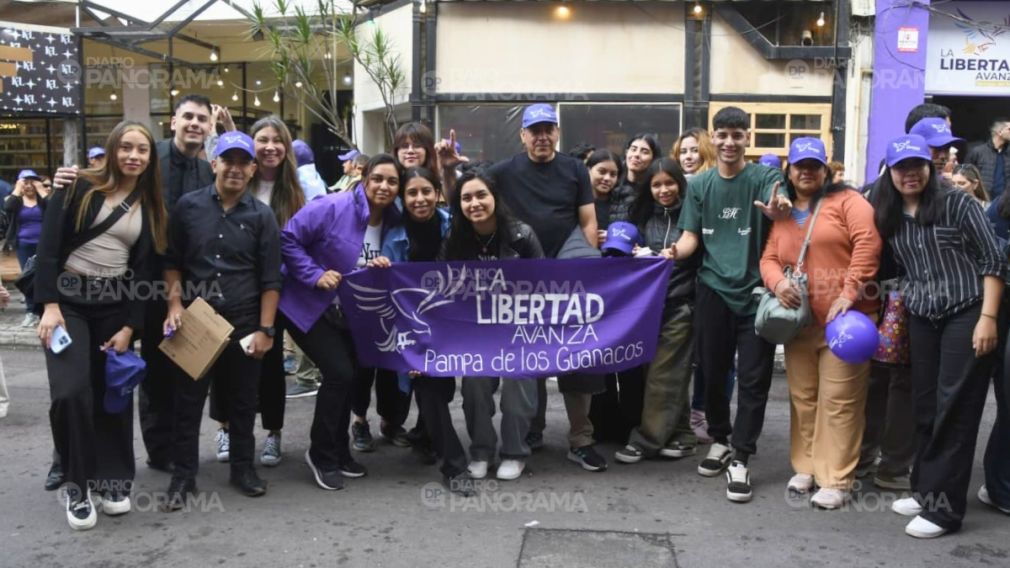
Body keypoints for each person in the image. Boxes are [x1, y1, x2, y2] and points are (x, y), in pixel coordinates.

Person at [871, 134, 1005, 538]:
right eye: (901, 168)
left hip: (967, 311)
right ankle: (926, 490)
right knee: (925, 405)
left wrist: (988, 318)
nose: (910, 174)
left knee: (956, 408)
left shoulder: (958, 203)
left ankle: (944, 511)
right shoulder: (888, 212)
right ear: (890, 173)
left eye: (917, 165)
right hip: (922, 315)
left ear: (930, 167)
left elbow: (994, 259)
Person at [36, 120, 166, 530]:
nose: (133, 156)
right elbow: (48, 248)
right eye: (126, 147)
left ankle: (112, 481)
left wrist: (130, 327)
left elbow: (144, 273)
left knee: (113, 395)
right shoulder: (77, 186)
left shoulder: (151, 204)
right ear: (112, 149)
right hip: (67, 305)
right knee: (71, 393)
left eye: (142, 149)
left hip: (114, 306)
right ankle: (77, 486)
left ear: (151, 157)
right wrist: (49, 306)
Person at [669, 105, 790, 503]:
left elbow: (781, 202)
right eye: (722, 135)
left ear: (747, 139)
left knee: (754, 379)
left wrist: (778, 209)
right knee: (713, 372)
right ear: (713, 138)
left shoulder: (764, 177)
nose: (729, 142)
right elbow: (690, 238)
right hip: (712, 290)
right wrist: (670, 252)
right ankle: (720, 439)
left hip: (758, 293)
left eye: (737, 135)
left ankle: (741, 455)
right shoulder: (700, 185)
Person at [760, 137, 882, 509]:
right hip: (800, 322)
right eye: (800, 165)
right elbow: (769, 258)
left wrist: (849, 292)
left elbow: (868, 244)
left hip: (846, 321)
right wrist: (778, 284)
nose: (807, 172)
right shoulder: (783, 210)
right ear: (789, 171)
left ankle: (837, 478)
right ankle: (807, 466)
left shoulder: (849, 202)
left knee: (840, 400)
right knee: (804, 398)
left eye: (814, 165)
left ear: (826, 169)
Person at [162, 130, 282, 508]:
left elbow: (271, 279)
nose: (235, 168)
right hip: (195, 320)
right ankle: (183, 477)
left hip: (244, 321)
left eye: (243, 162)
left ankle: (243, 469)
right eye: (228, 160)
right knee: (186, 405)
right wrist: (174, 306)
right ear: (214, 163)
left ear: (253, 169)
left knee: (243, 402)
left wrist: (265, 329)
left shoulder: (262, 216)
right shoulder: (188, 207)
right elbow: (172, 262)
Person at [488, 103, 603, 474]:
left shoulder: (575, 169)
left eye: (547, 129)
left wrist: (587, 267)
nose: (541, 136)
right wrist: (446, 170)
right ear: (522, 135)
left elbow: (588, 221)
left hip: (569, 279)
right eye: (534, 130)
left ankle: (581, 439)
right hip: (522, 280)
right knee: (529, 357)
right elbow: (468, 197)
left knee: (577, 357)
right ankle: (530, 431)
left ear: (557, 132)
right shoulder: (502, 171)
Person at [280, 153, 401, 491]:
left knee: (350, 378)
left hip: (351, 314)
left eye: (392, 181)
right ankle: (320, 453)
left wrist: (381, 267)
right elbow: (288, 238)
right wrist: (315, 274)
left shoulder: (394, 220)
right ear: (364, 178)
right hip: (307, 307)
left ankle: (338, 449)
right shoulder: (332, 206)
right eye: (378, 178)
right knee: (339, 374)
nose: (384, 186)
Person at [368, 166, 473, 494]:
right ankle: (454, 466)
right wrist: (408, 347)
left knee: (443, 390)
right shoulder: (394, 238)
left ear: (437, 193)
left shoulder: (452, 225)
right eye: (411, 193)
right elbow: (388, 295)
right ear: (403, 198)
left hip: (451, 324)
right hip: (412, 329)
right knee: (431, 388)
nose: (420, 199)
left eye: (426, 191)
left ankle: (423, 436)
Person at [210, 116, 305, 469]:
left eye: (277, 140)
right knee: (223, 360)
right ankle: (225, 427)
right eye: (262, 139)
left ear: (287, 147)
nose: (270, 147)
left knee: (270, 362)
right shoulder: (235, 180)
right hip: (231, 289)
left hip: (275, 291)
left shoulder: (295, 190)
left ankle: (273, 432)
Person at [439, 170, 545, 480]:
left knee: (517, 384)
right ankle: (481, 451)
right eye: (466, 198)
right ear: (459, 205)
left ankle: (515, 452)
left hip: (519, 330)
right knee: (474, 383)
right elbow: (442, 287)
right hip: (477, 333)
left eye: (481, 195)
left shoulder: (522, 235)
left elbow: (546, 285)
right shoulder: (454, 239)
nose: (474, 203)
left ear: (494, 198)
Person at [613, 158, 701, 464]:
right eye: (656, 185)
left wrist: (674, 255)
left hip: (681, 304)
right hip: (648, 309)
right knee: (666, 372)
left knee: (662, 374)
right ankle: (683, 435)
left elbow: (694, 248)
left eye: (669, 183)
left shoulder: (692, 215)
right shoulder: (642, 217)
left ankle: (646, 440)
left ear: (680, 183)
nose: (664, 190)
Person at [4, 169, 48, 326]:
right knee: (28, 277)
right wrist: (17, 189)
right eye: (25, 183)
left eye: (32, 183)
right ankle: (31, 311)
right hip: (24, 244)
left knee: (45, 277)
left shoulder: (42, 200)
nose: (29, 186)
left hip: (44, 244)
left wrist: (42, 190)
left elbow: (54, 209)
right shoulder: (16, 200)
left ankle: (45, 310)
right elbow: (8, 207)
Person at [965, 118, 1010, 204]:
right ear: (1000, 132)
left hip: (1005, 203)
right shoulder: (978, 152)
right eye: (1009, 129)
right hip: (983, 201)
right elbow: (965, 174)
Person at [586, 149, 624, 235]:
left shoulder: (624, 203)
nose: (607, 178)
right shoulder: (576, 200)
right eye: (602, 172)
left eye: (613, 174)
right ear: (588, 170)